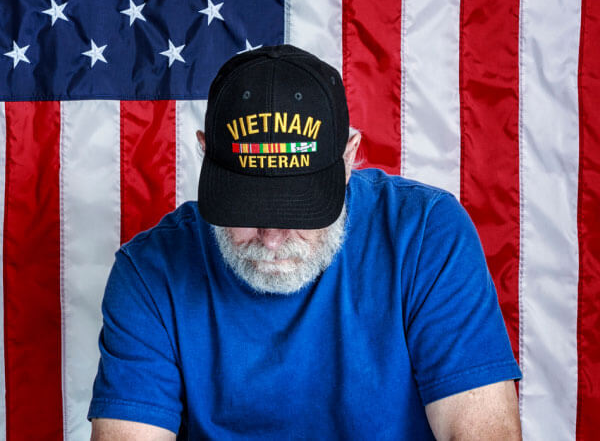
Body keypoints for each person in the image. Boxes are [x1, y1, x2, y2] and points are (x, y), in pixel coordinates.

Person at [88, 44, 522, 440]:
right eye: (247, 208)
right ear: (205, 154)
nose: (272, 238)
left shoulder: (426, 234)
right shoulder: (148, 272)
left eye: (300, 209)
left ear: (349, 157)